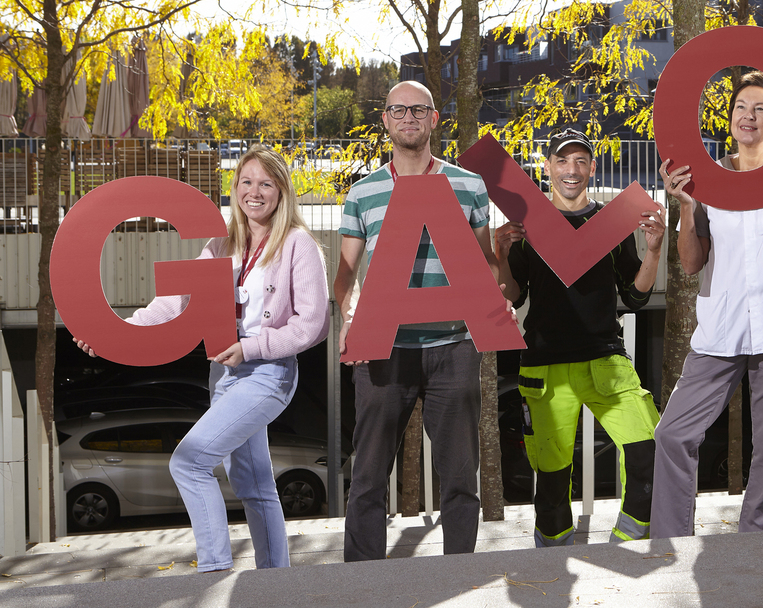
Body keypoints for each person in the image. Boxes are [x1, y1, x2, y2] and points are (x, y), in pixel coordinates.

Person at [75, 145, 330, 572]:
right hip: (225, 375)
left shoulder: (297, 244)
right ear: (235, 188)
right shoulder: (221, 244)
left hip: (268, 374)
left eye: (266, 184)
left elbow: (313, 324)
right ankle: (277, 579)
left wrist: (251, 347)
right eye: (246, 182)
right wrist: (115, 336)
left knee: (189, 460)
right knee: (253, 483)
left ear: (282, 192)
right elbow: (173, 303)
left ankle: (213, 570)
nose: (254, 192)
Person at [652, 70, 763, 538]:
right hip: (722, 327)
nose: (748, 116)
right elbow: (691, 263)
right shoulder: (706, 177)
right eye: (740, 107)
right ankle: (671, 539)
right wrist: (686, 207)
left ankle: (759, 541)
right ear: (730, 117)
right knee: (672, 433)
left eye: (760, 109)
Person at [336, 80, 500, 560]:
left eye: (418, 110)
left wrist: (493, 302)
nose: (408, 118)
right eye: (398, 110)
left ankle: (459, 573)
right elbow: (345, 275)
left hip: (454, 348)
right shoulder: (363, 192)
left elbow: (486, 263)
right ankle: (360, 579)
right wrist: (349, 314)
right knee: (368, 475)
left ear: (434, 119)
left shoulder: (468, 185)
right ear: (385, 120)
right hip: (384, 347)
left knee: (460, 476)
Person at [494, 128, 666, 547]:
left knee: (648, 447)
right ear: (548, 166)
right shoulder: (527, 227)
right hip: (545, 365)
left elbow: (635, 297)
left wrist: (655, 250)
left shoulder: (611, 223)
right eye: (562, 160)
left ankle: (628, 543)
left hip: (606, 359)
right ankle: (554, 556)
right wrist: (500, 256)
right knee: (551, 480)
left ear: (592, 168)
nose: (571, 169)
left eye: (580, 161)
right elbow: (513, 296)